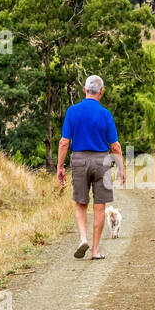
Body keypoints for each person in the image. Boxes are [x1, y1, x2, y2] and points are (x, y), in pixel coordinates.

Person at [56, 74, 125, 259]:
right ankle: (95, 250)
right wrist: (121, 169)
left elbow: (64, 142)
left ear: (85, 90)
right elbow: (115, 146)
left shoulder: (72, 111)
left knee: (80, 203)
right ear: (101, 92)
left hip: (79, 160)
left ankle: (83, 239)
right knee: (100, 206)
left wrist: (60, 167)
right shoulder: (105, 114)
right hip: (102, 161)